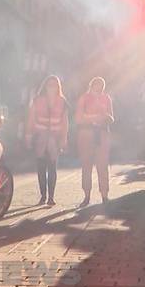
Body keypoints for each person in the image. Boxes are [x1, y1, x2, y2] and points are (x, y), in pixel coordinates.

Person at [25, 75, 69, 206]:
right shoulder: (37, 100)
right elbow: (31, 119)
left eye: (54, 85)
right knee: (41, 167)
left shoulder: (62, 101)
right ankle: (43, 195)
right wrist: (28, 136)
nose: (52, 87)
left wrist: (64, 138)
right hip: (40, 137)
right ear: (45, 86)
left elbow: (65, 122)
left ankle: (51, 197)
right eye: (49, 85)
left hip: (55, 138)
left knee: (52, 167)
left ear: (58, 87)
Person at [75, 76, 114, 208]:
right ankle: (86, 196)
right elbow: (79, 118)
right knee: (86, 166)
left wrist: (106, 117)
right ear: (92, 85)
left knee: (103, 166)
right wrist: (96, 117)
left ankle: (104, 195)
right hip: (87, 134)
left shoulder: (106, 98)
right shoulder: (84, 98)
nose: (100, 87)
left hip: (102, 134)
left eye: (102, 85)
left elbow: (111, 117)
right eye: (97, 84)